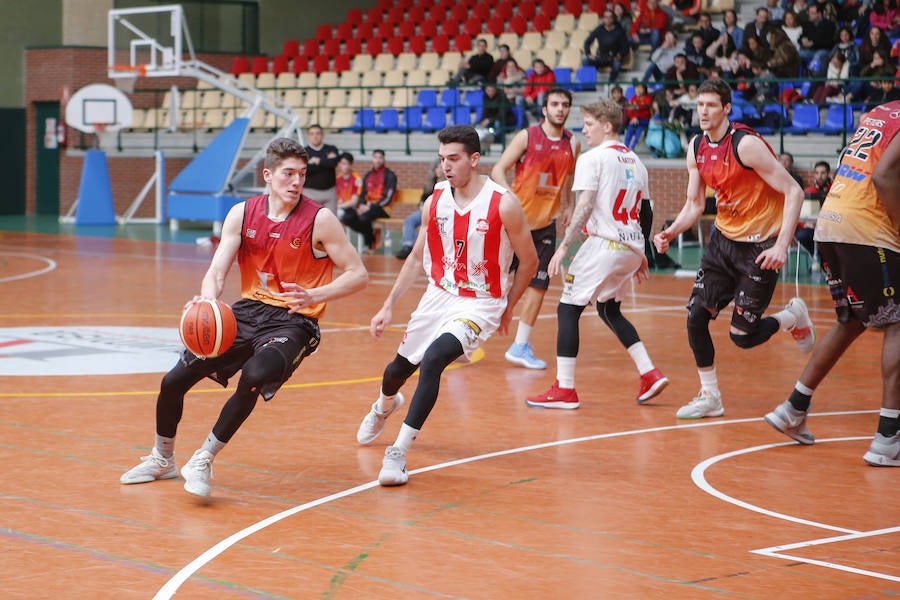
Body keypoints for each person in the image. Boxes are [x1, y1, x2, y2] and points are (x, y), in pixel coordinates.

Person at [119, 138, 368, 497]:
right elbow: (217, 270)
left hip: (294, 318)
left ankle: (204, 458)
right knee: (173, 380)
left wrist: (315, 295)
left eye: (302, 174)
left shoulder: (320, 219)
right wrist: (206, 302)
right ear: (268, 175)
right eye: (288, 174)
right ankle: (162, 458)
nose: (296, 181)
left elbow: (358, 273)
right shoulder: (242, 213)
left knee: (255, 375)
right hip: (249, 310)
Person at [355, 125, 538, 486]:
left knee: (436, 358)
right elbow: (415, 257)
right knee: (396, 370)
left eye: (453, 159)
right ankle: (384, 406)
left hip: (481, 302)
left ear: (474, 159)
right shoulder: (435, 200)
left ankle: (399, 453)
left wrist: (508, 306)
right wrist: (389, 304)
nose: (446, 167)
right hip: (439, 294)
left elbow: (529, 262)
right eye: (441, 160)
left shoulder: (504, 203)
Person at [652, 79, 814, 419]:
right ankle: (710, 395)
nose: (704, 112)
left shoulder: (746, 145)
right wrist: (671, 231)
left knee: (742, 336)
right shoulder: (696, 146)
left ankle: (792, 316)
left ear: (727, 108)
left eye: (711, 105)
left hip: (760, 248)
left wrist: (783, 245)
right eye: (699, 105)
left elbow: (794, 192)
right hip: (722, 244)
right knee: (696, 317)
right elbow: (694, 204)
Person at [763, 100, 900, 466]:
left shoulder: (881, 111)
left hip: (831, 222)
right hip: (866, 228)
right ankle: (889, 437)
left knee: (851, 320)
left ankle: (793, 408)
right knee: (897, 323)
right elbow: (884, 177)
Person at [525, 99, 669, 409]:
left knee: (567, 309)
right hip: (629, 246)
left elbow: (585, 205)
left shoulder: (593, 159)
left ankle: (564, 389)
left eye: (589, 124)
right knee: (609, 310)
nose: (584, 129)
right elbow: (644, 212)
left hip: (604, 244)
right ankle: (649, 372)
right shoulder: (636, 161)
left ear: (607, 126)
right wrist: (641, 253)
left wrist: (564, 247)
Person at [490, 88, 579, 369]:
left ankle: (520, 345)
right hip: (514, 225)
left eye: (565, 105)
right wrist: (509, 198)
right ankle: (463, 338)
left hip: (545, 226)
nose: (560, 109)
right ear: (544, 109)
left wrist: (568, 205)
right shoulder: (527, 136)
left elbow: (569, 178)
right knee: (493, 285)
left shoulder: (573, 143)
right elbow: (498, 170)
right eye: (554, 104)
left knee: (539, 285)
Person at [340, 149, 398, 252]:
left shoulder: (390, 175)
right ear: (372, 159)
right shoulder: (368, 175)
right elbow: (362, 194)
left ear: (384, 159)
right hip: (366, 207)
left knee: (363, 218)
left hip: (383, 208)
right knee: (347, 217)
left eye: (380, 157)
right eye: (376, 157)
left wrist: (370, 206)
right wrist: (361, 205)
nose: (378, 160)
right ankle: (370, 234)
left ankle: (369, 242)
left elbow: (388, 199)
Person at [396, 158, 442, 260]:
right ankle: (407, 246)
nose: (439, 170)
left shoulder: (448, 184)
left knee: (424, 225)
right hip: (425, 211)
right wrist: (422, 205)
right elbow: (423, 198)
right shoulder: (430, 184)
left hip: (439, 213)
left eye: (440, 167)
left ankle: (418, 249)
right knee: (409, 220)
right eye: (436, 168)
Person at [583, 9, 631, 83]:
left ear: (613, 18)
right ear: (603, 18)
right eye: (606, 17)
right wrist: (588, 54)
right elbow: (587, 42)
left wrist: (620, 54)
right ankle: (589, 85)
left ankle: (610, 84)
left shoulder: (619, 31)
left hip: (614, 57)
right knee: (586, 61)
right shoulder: (599, 29)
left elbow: (625, 47)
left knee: (616, 65)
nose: (608, 19)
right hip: (601, 57)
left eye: (610, 17)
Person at [794, 160, 831, 256]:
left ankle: (824, 262)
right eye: (817, 173)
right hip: (812, 228)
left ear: (828, 174)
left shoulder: (834, 190)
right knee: (802, 235)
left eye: (823, 173)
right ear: (814, 175)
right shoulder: (808, 191)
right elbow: (801, 212)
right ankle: (816, 258)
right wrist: (804, 224)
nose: (820, 176)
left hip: (829, 228)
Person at [303, 124, 340, 214]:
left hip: (329, 192)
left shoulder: (331, 148)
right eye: (312, 134)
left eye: (317, 133)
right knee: (310, 222)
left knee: (331, 222)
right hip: (310, 193)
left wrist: (316, 161)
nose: (315, 136)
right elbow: (306, 170)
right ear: (308, 136)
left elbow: (333, 163)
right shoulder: (303, 152)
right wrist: (325, 161)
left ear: (322, 135)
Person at [625, 82, 653, 150]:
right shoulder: (633, 98)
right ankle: (625, 147)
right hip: (634, 120)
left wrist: (636, 107)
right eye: (636, 88)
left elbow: (646, 106)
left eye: (640, 88)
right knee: (630, 129)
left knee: (639, 131)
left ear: (644, 89)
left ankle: (633, 149)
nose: (638, 89)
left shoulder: (648, 98)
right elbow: (629, 110)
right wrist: (633, 117)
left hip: (644, 120)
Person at [335, 152, 361, 221]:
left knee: (337, 213)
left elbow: (354, 202)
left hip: (352, 209)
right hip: (340, 207)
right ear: (339, 164)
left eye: (348, 164)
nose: (346, 166)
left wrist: (339, 206)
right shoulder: (337, 179)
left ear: (351, 165)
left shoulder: (357, 179)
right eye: (344, 164)